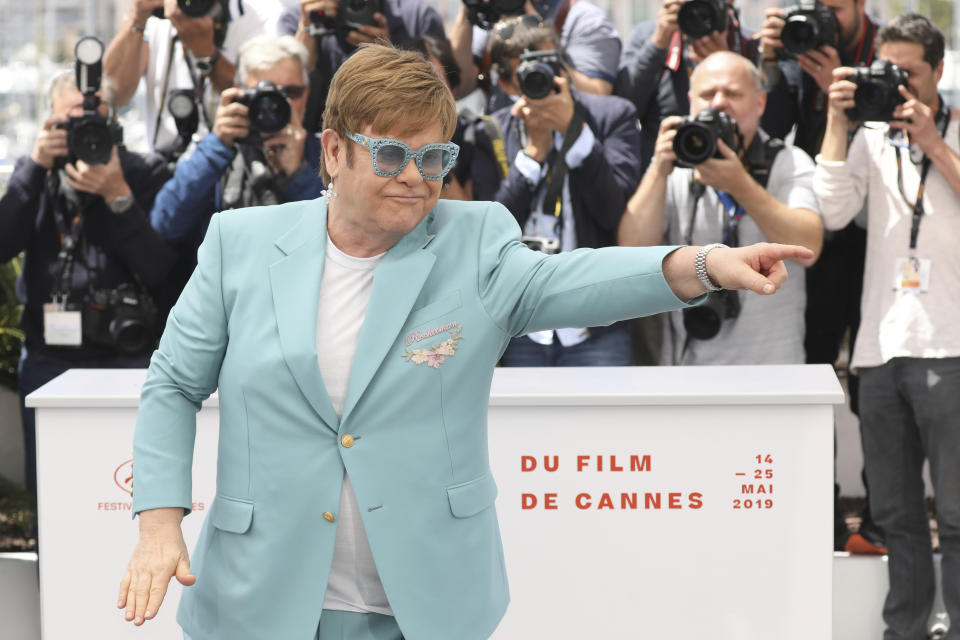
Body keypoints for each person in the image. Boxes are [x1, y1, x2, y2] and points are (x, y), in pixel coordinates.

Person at [116, 43, 811, 639]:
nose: (416, 178)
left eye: (434, 157)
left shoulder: (474, 240)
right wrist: (157, 524)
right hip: (259, 598)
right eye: (391, 155)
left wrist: (701, 263)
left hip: (425, 602)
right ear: (333, 150)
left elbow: (573, 280)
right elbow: (174, 384)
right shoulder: (241, 244)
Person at [813, 14, 960, 639]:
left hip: (950, 346)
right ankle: (903, 629)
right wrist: (838, 120)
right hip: (878, 348)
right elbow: (832, 209)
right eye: (889, 71)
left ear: (938, 72)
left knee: (955, 514)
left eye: (912, 74)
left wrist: (933, 143)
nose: (899, 85)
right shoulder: (870, 138)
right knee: (897, 513)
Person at [0, 71, 176, 503]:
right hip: (49, 359)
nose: (81, 135)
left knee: (129, 492)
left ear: (113, 123)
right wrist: (33, 168)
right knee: (53, 493)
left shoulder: (143, 173)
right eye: (67, 124)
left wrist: (119, 198)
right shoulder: (36, 177)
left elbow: (163, 272)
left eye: (91, 123)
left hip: (128, 360)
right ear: (48, 123)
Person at [758, 0, 885, 554]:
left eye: (833, 8)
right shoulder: (793, 47)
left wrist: (844, 92)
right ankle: (825, 517)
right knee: (815, 377)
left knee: (878, 385)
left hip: (882, 234)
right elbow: (768, 129)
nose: (823, 20)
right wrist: (768, 68)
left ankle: (882, 519)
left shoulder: (884, 51)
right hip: (817, 242)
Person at [619, 51, 823, 366]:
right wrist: (658, 169)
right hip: (688, 371)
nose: (718, 103)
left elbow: (808, 245)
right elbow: (631, 254)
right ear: (690, 102)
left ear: (760, 104)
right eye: (707, 94)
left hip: (772, 370)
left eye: (732, 94)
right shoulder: (676, 166)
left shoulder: (788, 161)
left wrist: (740, 184)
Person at [471, 16, 642, 366]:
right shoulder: (489, 132)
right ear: (505, 83)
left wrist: (574, 134)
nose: (543, 81)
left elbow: (613, 213)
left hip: (597, 322)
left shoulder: (613, 116)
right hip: (520, 324)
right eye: (527, 74)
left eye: (548, 67)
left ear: (564, 64)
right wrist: (533, 152)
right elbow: (489, 233)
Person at [150, 35, 323, 249]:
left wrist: (299, 173)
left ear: (306, 95)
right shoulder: (216, 152)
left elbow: (338, 236)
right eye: (263, 96)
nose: (276, 106)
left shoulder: (329, 155)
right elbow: (164, 225)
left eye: (291, 93)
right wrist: (217, 146)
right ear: (239, 93)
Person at [104, 0, 283, 156]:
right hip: (167, 168)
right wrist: (136, 20)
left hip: (241, 163)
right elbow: (112, 97)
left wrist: (207, 54)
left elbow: (271, 107)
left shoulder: (264, 14)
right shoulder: (159, 17)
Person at [615, 0, 760, 173]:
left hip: (735, 171)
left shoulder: (751, 44)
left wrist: (727, 63)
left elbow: (770, 124)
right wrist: (658, 43)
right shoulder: (651, 36)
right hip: (664, 174)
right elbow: (622, 111)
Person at [281, 0, 447, 135]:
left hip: (395, 147)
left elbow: (440, 101)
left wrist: (388, 56)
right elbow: (281, 109)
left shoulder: (417, 19)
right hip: (309, 148)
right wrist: (305, 40)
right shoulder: (299, 19)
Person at [450, 0, 621, 113]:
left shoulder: (583, 18)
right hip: (501, 149)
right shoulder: (493, 16)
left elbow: (598, 95)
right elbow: (456, 87)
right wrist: (468, 11)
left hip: (565, 146)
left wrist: (542, 39)